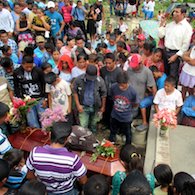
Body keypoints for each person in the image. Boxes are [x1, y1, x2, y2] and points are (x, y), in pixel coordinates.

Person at [26, 121, 87, 194]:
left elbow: (29, 176)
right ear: (67, 139)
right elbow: (83, 181)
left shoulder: (35, 153)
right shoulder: (72, 159)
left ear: (50, 134)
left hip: (45, 190)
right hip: (66, 192)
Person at [158, 5, 193, 85]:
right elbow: (160, 35)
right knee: (165, 74)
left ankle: (173, 94)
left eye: (177, 12)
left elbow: (185, 45)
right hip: (165, 52)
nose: (174, 13)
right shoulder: (170, 25)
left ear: (183, 14)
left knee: (173, 77)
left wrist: (176, 56)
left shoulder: (187, 28)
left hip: (175, 54)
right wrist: (162, 24)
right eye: (174, 11)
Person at [13, 55, 45, 128]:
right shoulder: (17, 72)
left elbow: (44, 84)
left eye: (31, 66)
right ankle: (36, 136)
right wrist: (19, 100)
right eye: (27, 67)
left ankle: (46, 135)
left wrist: (44, 98)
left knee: (44, 119)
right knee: (31, 121)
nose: (29, 69)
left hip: (39, 98)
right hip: (27, 100)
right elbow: (16, 87)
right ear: (22, 64)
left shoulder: (38, 71)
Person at [73, 65, 107, 133]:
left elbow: (104, 94)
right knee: (83, 125)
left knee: (93, 123)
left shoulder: (100, 80)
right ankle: (84, 138)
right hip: (83, 106)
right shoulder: (79, 79)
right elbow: (74, 92)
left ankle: (92, 137)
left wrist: (103, 107)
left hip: (96, 106)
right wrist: (78, 105)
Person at [109, 71, 139, 144]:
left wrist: (129, 108)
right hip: (115, 115)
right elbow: (112, 97)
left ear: (127, 82)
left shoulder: (132, 91)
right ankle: (111, 144)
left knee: (128, 133)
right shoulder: (113, 87)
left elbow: (136, 103)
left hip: (126, 117)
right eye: (119, 85)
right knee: (113, 131)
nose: (120, 87)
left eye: (123, 85)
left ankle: (127, 147)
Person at [127, 54, 156, 124]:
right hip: (129, 98)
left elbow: (153, 87)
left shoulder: (147, 72)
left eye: (135, 66)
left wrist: (155, 102)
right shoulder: (129, 69)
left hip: (139, 98)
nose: (133, 67)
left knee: (133, 116)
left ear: (140, 64)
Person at [100, 53, 122, 129]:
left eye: (109, 63)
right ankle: (106, 124)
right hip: (105, 94)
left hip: (115, 95)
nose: (107, 65)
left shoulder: (119, 72)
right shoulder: (103, 70)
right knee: (106, 110)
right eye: (106, 63)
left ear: (114, 62)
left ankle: (113, 126)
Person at [179, 32, 195, 100]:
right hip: (186, 71)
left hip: (193, 74)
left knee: (191, 90)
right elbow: (183, 56)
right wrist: (189, 60)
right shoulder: (193, 47)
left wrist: (187, 59)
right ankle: (181, 104)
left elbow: (193, 63)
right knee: (183, 89)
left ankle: (190, 103)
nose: (194, 40)